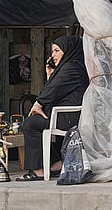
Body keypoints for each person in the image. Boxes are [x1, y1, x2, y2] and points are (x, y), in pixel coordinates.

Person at [16, 35, 89, 181]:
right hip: (64, 114)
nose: (53, 55)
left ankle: (39, 170)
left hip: (68, 117)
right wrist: (51, 75)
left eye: (57, 51)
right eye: (53, 51)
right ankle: (55, 163)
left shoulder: (71, 68)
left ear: (68, 51)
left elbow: (52, 90)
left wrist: (38, 104)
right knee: (35, 122)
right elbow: (54, 88)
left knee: (30, 124)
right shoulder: (72, 66)